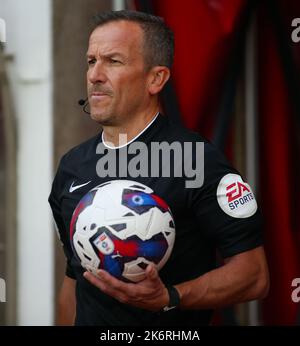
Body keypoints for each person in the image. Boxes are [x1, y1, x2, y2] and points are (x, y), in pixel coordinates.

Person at [48, 10, 269, 326]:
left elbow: (254, 275)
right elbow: (74, 279)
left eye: (113, 61)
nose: (95, 75)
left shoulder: (195, 160)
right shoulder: (72, 167)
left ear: (156, 78)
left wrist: (171, 297)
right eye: (91, 61)